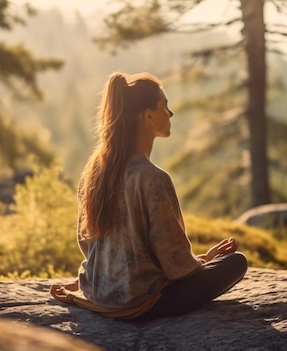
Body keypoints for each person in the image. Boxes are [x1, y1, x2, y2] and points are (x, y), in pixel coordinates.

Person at [50, 72, 248, 321]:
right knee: (236, 263)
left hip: (99, 295)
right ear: (148, 116)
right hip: (142, 303)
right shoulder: (153, 178)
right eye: (164, 106)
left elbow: (86, 244)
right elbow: (176, 265)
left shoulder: (93, 174)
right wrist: (204, 262)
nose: (171, 113)